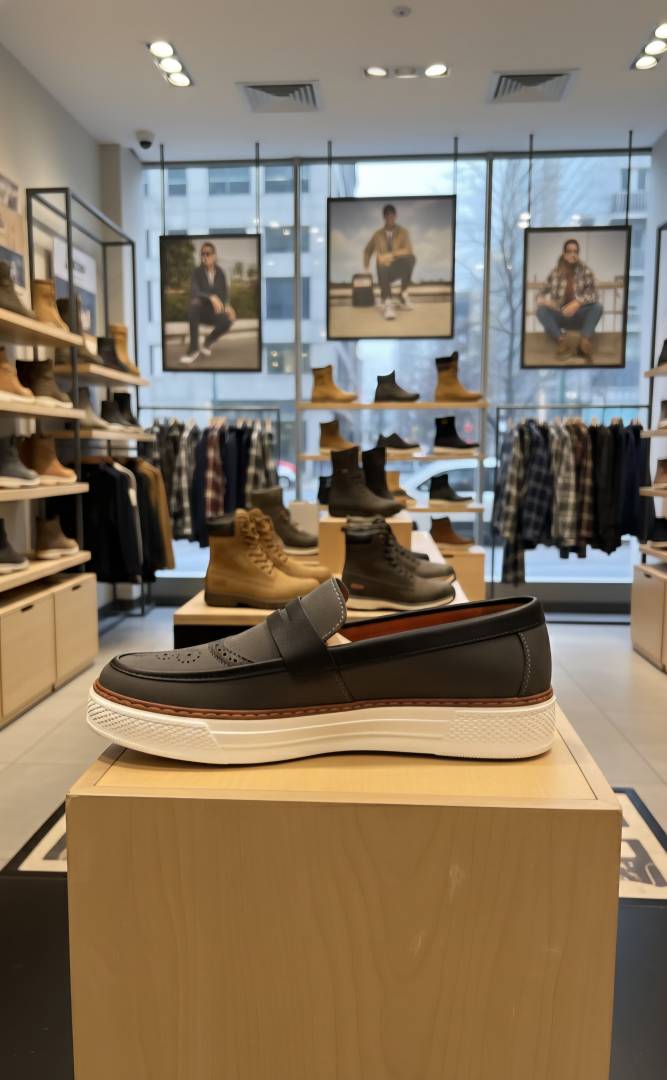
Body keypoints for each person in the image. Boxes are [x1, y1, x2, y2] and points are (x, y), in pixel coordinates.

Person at [535, 237, 603, 360]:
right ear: (564, 253)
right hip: (560, 314)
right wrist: (544, 301)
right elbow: (539, 293)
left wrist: (578, 302)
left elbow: (595, 293)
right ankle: (561, 342)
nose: (572, 254)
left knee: (597, 307)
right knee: (541, 311)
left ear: (578, 254)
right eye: (569, 251)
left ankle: (584, 342)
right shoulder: (555, 273)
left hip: (579, 315)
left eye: (575, 251)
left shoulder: (585, 271)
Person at [180, 241, 236, 364]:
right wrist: (211, 297)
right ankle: (193, 349)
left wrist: (227, 306)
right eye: (202, 254)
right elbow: (194, 291)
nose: (204, 256)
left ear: (214, 256)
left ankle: (208, 341)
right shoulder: (197, 272)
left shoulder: (220, 273)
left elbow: (224, 293)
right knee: (194, 303)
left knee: (229, 319)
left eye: (208, 253)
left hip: (214, 312)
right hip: (199, 312)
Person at [363, 204, 416, 321]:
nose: (390, 219)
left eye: (392, 216)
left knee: (411, 258)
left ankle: (403, 295)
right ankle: (387, 302)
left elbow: (408, 250)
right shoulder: (377, 234)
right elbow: (367, 250)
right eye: (387, 216)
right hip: (383, 269)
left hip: (397, 267)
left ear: (395, 216)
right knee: (380, 261)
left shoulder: (403, 232)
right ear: (384, 217)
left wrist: (390, 255)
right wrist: (366, 268)